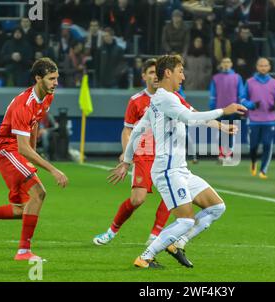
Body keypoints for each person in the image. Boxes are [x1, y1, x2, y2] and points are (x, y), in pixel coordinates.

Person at [109, 54, 247, 268]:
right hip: (167, 170)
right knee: (185, 220)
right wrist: (224, 111)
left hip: (180, 170)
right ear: (168, 73)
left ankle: (177, 244)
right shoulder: (165, 98)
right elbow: (190, 119)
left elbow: (137, 132)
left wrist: (127, 161)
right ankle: (145, 257)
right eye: (180, 71)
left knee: (217, 207)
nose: (183, 76)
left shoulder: (162, 100)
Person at [0, 58, 69, 261]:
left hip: (17, 150)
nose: (56, 82)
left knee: (23, 209)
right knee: (39, 193)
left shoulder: (47, 97)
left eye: (57, 78)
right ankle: (23, 252)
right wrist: (53, 170)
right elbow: (21, 147)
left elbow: (35, 124)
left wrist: (34, 152)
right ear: (38, 78)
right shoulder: (23, 104)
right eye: (51, 78)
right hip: (6, 150)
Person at [93, 58, 172, 246]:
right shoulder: (136, 101)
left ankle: (154, 235)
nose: (155, 76)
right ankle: (111, 231)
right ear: (144, 76)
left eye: (157, 73)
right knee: (137, 200)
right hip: (143, 155)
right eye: (151, 72)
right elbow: (127, 129)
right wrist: (126, 152)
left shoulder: (170, 98)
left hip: (166, 155)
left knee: (171, 195)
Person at [241, 58, 275, 179]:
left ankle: (263, 170)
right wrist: (251, 105)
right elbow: (243, 99)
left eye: (265, 65)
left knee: (267, 145)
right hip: (254, 120)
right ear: (257, 67)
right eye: (261, 65)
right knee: (253, 146)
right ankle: (254, 162)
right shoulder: (249, 82)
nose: (263, 68)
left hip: (269, 120)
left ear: (269, 67)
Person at [209, 57, 246, 162]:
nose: (226, 64)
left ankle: (229, 155)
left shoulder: (237, 77)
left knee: (231, 133)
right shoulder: (215, 78)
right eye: (224, 62)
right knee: (220, 132)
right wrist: (212, 110)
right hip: (220, 110)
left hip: (233, 111)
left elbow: (241, 94)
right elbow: (212, 95)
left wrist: (241, 109)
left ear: (231, 64)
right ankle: (221, 155)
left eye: (228, 62)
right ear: (221, 64)